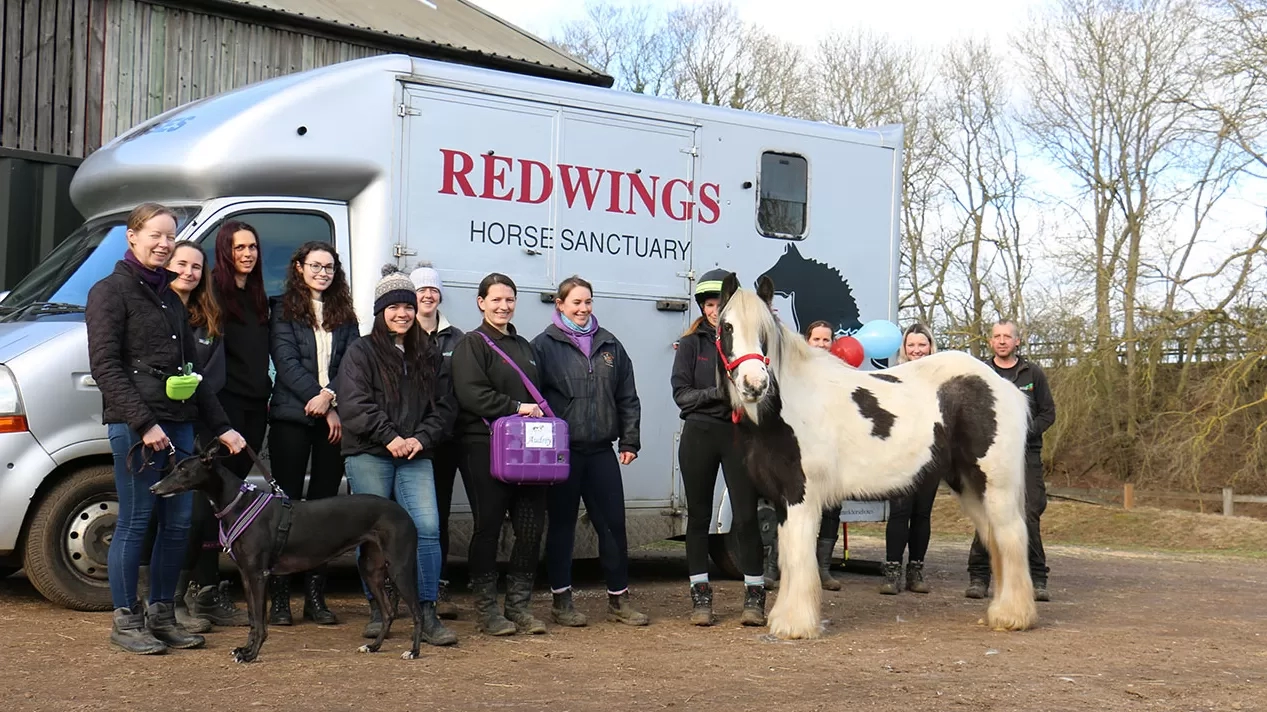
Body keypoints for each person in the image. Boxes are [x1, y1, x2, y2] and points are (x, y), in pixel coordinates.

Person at [86, 202, 246, 655]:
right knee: (137, 521)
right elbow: (105, 367)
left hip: (179, 424)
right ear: (132, 236)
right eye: (155, 235)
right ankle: (126, 620)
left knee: (177, 525)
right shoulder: (109, 292)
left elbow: (193, 374)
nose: (163, 244)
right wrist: (143, 422)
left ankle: (161, 615)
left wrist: (223, 427)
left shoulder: (169, 298)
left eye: (170, 236)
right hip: (137, 427)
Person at [336, 265, 457, 646]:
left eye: (407, 306)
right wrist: (390, 437)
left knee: (427, 529)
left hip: (415, 455)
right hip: (369, 452)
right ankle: (380, 608)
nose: (402, 313)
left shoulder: (429, 354)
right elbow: (354, 404)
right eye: (393, 307)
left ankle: (427, 612)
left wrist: (420, 438)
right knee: (371, 533)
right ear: (380, 311)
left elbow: (445, 407)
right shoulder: (361, 351)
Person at [531, 276, 650, 628]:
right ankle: (561, 602)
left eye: (588, 302)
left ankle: (619, 601)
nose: (583, 309)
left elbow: (627, 397)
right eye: (576, 303)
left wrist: (629, 441)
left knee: (613, 526)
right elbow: (532, 398)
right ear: (560, 304)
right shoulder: (543, 346)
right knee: (561, 527)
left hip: (601, 452)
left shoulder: (610, 345)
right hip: (562, 453)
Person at [450, 273, 550, 637]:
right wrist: (516, 407)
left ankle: (519, 606)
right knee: (488, 527)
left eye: (509, 299)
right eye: (495, 299)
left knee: (530, 528)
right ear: (481, 302)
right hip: (483, 445)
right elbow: (470, 394)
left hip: (527, 449)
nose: (503, 306)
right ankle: (487, 610)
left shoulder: (525, 346)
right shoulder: (471, 344)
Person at [266, 241, 361, 626]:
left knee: (324, 511)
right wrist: (318, 398)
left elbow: (352, 363)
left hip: (332, 421)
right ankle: (279, 599)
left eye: (329, 267)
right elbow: (285, 360)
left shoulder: (345, 314)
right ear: (299, 268)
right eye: (316, 266)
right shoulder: (282, 308)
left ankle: (316, 598)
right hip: (291, 417)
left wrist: (330, 398)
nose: (323, 273)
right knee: (284, 507)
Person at [671, 268, 766, 627]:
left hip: (738, 435)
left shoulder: (748, 341)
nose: (715, 311)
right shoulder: (691, 345)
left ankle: (754, 596)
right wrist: (719, 394)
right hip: (699, 434)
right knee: (698, 518)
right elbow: (682, 395)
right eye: (710, 305)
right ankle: (700, 597)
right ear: (702, 307)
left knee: (746, 516)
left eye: (721, 305)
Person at [966, 319, 1056, 602]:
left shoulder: (1033, 373)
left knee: (1029, 512)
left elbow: (1048, 413)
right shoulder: (979, 373)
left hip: (1026, 455)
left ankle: (1037, 578)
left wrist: (1021, 432)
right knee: (988, 511)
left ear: (1017, 341)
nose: (1002, 341)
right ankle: (979, 577)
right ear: (990, 341)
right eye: (997, 336)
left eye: (1007, 336)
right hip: (988, 455)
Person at [410, 261, 469, 620]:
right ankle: (402, 586)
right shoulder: (401, 331)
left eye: (433, 289)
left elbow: (460, 389)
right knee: (405, 515)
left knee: (437, 515)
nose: (428, 295)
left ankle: (438, 585)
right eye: (421, 289)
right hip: (409, 440)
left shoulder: (456, 338)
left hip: (445, 440)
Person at [878, 322, 941, 595]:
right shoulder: (894, 376)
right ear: (904, 348)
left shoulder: (941, 377)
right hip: (900, 452)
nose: (917, 350)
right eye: (911, 345)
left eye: (922, 344)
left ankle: (915, 571)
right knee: (899, 511)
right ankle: (892, 571)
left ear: (930, 346)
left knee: (922, 513)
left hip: (932, 453)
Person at [209, 221, 272, 482]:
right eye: (240, 248)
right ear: (226, 251)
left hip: (256, 402)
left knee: (238, 480)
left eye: (253, 247)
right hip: (226, 401)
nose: (248, 254)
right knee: (220, 479)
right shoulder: (211, 291)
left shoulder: (257, 294)